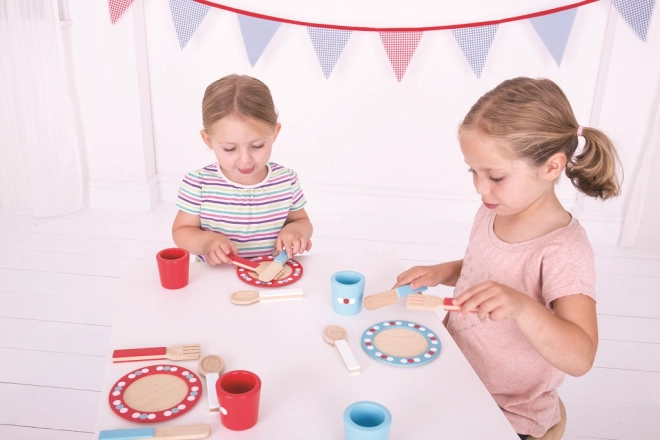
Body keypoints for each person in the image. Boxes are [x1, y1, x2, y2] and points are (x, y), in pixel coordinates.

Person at [395, 77, 621, 439]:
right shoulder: (494, 209)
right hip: (457, 379)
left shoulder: (564, 250)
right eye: (474, 171)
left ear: (551, 167)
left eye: (495, 176)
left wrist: (522, 307)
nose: (481, 187)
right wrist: (443, 272)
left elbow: (581, 357)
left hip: (510, 413)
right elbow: (486, 269)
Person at [172, 74, 313, 264]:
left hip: (269, 273)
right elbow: (181, 232)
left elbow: (302, 221)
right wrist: (206, 242)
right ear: (208, 140)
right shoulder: (199, 183)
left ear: (275, 133)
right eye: (230, 149)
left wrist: (295, 231)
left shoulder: (285, 180)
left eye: (257, 146)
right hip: (217, 276)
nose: (245, 160)